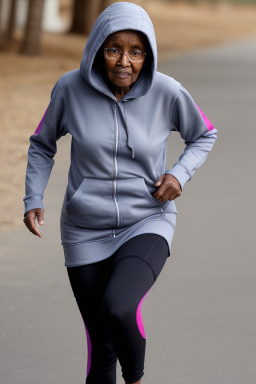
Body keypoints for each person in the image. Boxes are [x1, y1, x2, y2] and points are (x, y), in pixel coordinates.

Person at [23, 2, 218, 384]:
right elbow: (42, 144)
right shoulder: (69, 88)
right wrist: (33, 197)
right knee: (101, 347)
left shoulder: (166, 91)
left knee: (120, 308)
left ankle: (135, 380)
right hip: (83, 229)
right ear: (97, 49)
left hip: (147, 219)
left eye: (136, 52)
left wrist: (179, 174)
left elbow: (205, 133)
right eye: (113, 49)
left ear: (148, 55)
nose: (124, 62)